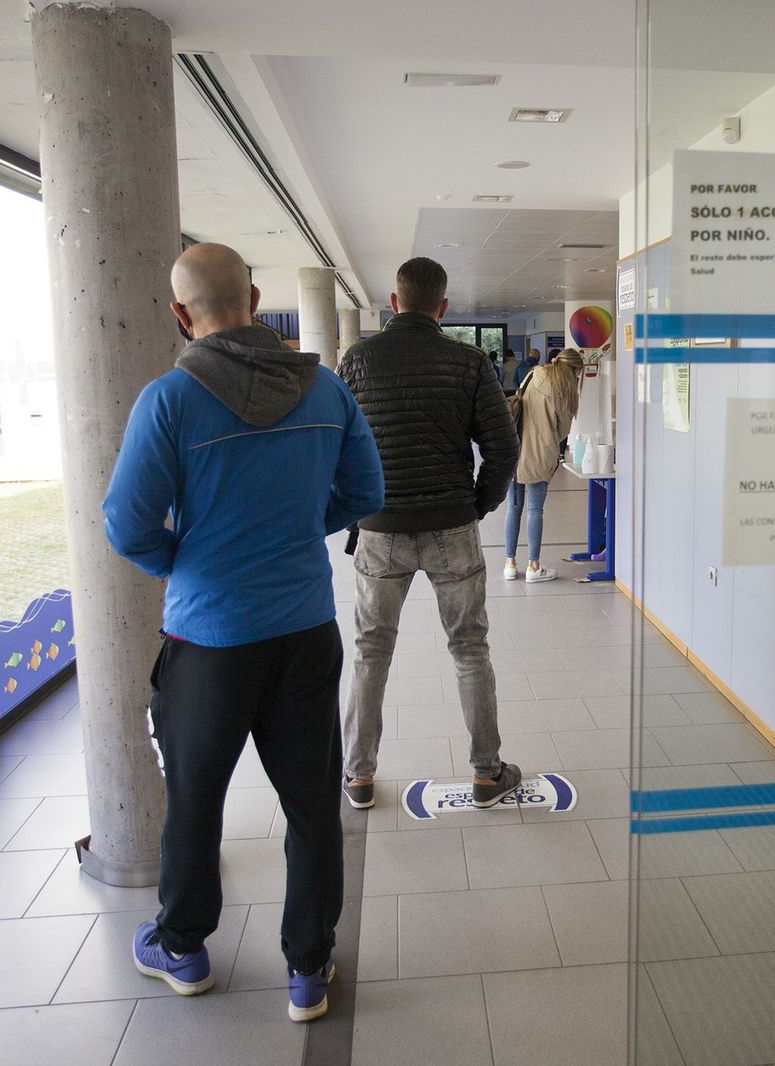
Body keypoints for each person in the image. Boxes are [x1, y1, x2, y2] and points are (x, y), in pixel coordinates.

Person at [103, 243, 384, 1022]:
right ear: (256, 300)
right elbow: (366, 490)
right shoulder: (325, 390)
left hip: (208, 644)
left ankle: (184, 947)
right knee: (310, 805)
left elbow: (126, 527)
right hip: (303, 631)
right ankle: (308, 967)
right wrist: (301, 528)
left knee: (194, 801)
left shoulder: (168, 401)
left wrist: (184, 560)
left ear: (180, 313)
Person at [337, 256, 522, 812]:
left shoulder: (357, 359)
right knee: (470, 649)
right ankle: (487, 773)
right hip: (451, 529)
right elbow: (504, 448)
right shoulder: (468, 362)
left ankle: (358, 776)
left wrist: (359, 509)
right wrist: (477, 505)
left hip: (380, 529)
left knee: (371, 653)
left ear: (394, 303)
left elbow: (341, 449)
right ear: (442, 308)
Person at [505, 348, 584, 583]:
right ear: (574, 370)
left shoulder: (534, 373)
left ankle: (510, 564)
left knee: (513, 507)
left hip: (515, 448)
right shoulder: (564, 390)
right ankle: (533, 566)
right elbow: (563, 431)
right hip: (540, 453)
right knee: (535, 510)